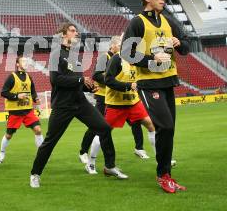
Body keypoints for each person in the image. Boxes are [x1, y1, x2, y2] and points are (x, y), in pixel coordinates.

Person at [30, 23, 125, 188]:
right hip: (62, 105)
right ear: (62, 34)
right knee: (50, 141)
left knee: (104, 127)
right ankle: (35, 174)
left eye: (76, 31)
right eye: (73, 31)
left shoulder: (75, 55)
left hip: (80, 101)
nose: (76, 33)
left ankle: (110, 166)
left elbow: (77, 82)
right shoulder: (55, 54)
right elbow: (55, 80)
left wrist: (88, 86)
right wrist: (81, 80)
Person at [121, 0, 189, 193]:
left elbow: (186, 46)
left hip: (168, 81)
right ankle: (162, 175)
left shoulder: (168, 21)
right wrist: (152, 57)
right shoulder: (137, 22)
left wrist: (179, 43)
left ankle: (166, 174)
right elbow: (126, 52)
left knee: (169, 130)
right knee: (165, 126)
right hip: (149, 84)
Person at [85, 51, 156, 175]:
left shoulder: (139, 57)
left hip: (133, 101)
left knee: (151, 125)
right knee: (104, 131)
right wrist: (128, 86)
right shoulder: (117, 59)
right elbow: (108, 80)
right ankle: (91, 163)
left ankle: (160, 159)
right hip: (116, 103)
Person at [79, 36, 147, 163]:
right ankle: (83, 151)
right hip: (104, 97)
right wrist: (112, 80)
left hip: (120, 97)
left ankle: (139, 148)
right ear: (113, 46)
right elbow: (96, 75)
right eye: (119, 44)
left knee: (135, 122)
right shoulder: (105, 57)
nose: (122, 47)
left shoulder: (124, 59)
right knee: (96, 126)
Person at [0, 55, 43, 164]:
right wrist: (17, 96)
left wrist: (35, 98)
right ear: (17, 64)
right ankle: (2, 152)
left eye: (27, 61)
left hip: (28, 110)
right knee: (9, 135)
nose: (26, 63)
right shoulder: (12, 77)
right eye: (23, 61)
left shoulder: (29, 77)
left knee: (38, 130)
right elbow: (3, 92)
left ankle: (42, 154)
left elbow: (32, 91)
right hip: (15, 112)